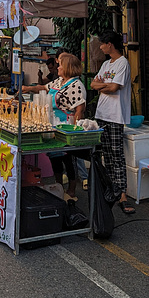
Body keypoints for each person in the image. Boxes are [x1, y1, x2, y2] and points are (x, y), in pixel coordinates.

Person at [22, 52, 86, 199]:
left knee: (68, 159)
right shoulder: (59, 81)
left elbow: (79, 110)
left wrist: (74, 130)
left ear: (68, 67)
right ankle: (58, 185)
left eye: (60, 65)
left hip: (67, 126)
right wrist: (28, 88)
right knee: (55, 157)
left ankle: (71, 189)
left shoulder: (76, 85)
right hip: (53, 124)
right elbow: (44, 88)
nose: (58, 67)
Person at [91, 30, 135, 215]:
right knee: (106, 155)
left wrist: (104, 87)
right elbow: (94, 84)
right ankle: (111, 190)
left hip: (116, 116)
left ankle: (122, 194)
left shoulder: (122, 63)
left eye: (102, 43)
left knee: (117, 156)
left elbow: (115, 87)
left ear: (110, 44)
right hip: (102, 113)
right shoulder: (106, 64)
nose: (100, 47)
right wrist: (104, 87)